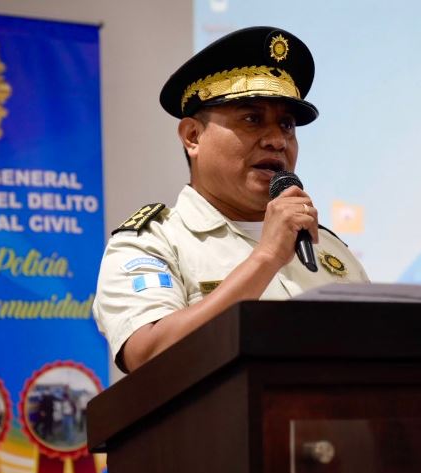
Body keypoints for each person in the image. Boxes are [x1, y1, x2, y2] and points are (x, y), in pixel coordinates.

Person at [93, 27, 369, 373]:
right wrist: (266, 257)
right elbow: (149, 355)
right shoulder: (152, 243)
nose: (277, 140)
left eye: (286, 125)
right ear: (193, 136)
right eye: (252, 119)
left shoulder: (330, 249)